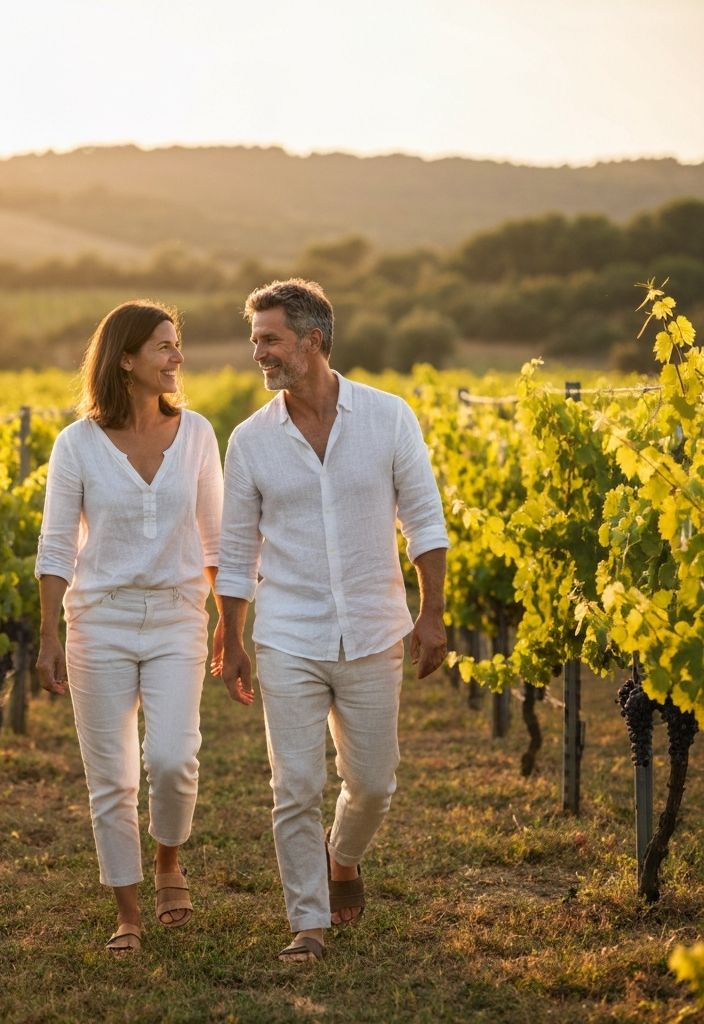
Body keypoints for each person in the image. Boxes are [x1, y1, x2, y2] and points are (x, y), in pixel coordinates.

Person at [215, 279, 449, 963]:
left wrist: (431, 615)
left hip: (376, 627)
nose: (258, 353)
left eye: (270, 340)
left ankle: (342, 856)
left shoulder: (388, 417)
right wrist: (231, 637)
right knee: (294, 785)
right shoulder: (250, 441)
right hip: (287, 630)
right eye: (256, 338)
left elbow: (425, 522)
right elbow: (235, 551)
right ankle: (307, 922)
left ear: (313, 341)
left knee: (373, 782)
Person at [34, 300, 223, 956]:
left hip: (176, 618)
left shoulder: (197, 433)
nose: (177, 357)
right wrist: (49, 636)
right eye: (165, 346)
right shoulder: (76, 445)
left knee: (173, 759)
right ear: (125, 360)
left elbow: (216, 537)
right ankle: (129, 912)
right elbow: (56, 546)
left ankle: (169, 859)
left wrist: (229, 619)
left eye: (178, 344)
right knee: (111, 777)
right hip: (98, 623)